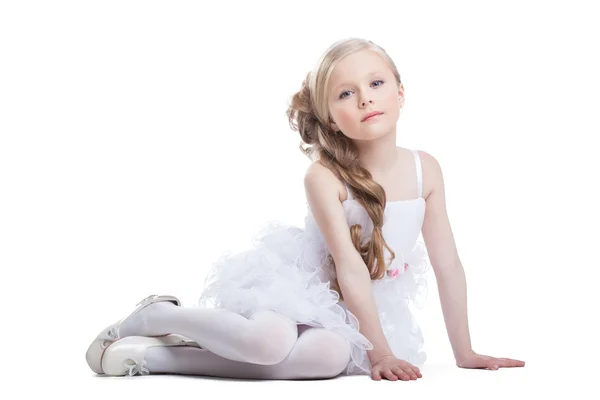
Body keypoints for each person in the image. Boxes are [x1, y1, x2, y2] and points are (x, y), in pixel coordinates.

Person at [85, 37, 525, 381]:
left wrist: (464, 351)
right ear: (331, 117)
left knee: (329, 358)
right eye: (346, 93)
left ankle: (156, 358)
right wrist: (382, 353)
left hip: (359, 305)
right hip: (304, 284)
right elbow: (349, 268)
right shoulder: (325, 176)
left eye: (376, 84)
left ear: (400, 92)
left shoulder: (424, 169)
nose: (366, 99)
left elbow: (448, 264)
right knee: (269, 341)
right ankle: (159, 314)